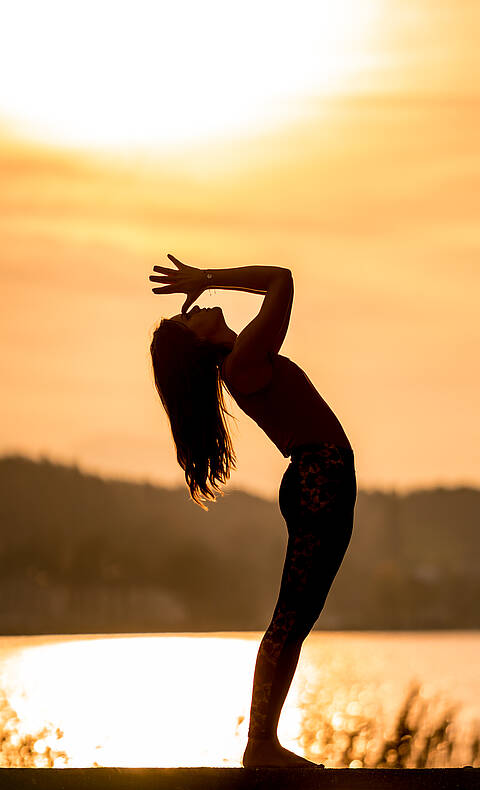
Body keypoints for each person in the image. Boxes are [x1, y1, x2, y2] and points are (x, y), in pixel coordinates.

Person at [149, 254, 357, 769]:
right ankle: (260, 745)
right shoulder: (242, 359)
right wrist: (209, 277)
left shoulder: (242, 358)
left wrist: (206, 280)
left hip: (319, 480)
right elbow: (281, 281)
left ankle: (264, 744)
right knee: (290, 618)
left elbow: (278, 283)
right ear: (197, 343)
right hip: (318, 481)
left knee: (296, 618)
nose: (192, 308)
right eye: (185, 318)